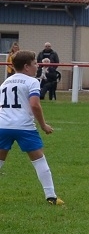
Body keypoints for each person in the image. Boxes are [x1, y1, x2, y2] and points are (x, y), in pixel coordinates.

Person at [0, 51, 64, 205]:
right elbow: (35, 105)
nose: (38, 65)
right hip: (24, 127)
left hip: (3, 126)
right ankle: (51, 197)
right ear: (26, 66)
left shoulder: (5, 82)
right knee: (39, 161)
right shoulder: (32, 81)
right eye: (35, 63)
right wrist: (43, 125)